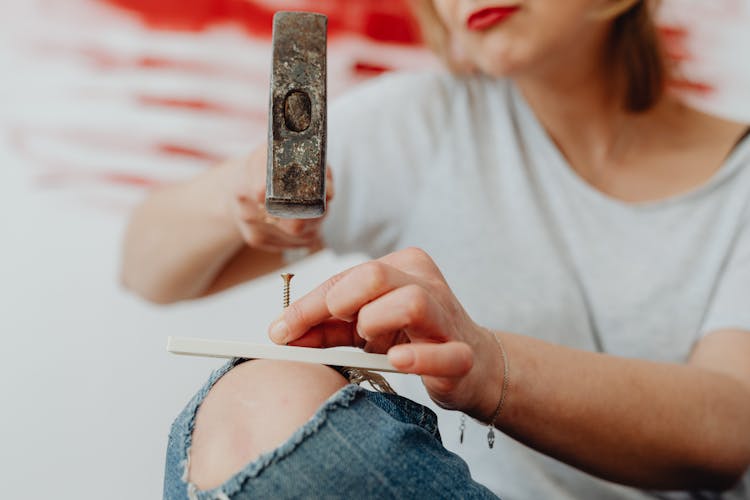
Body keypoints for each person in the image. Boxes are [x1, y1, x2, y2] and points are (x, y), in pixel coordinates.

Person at [122, 0, 750, 498]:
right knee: (258, 401)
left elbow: (731, 428)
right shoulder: (427, 124)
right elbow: (147, 268)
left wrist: (485, 363)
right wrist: (230, 194)